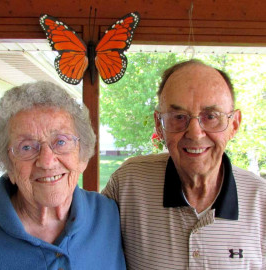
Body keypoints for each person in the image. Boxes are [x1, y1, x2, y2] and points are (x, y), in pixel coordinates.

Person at [102, 59, 266, 269]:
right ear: (159, 125)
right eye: (179, 117)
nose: (195, 133)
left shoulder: (261, 201)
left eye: (211, 116)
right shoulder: (128, 184)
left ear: (233, 124)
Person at [0, 81, 126, 269]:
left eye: (60, 141)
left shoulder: (109, 215)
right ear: (8, 163)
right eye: (26, 147)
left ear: (82, 156)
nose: (47, 161)